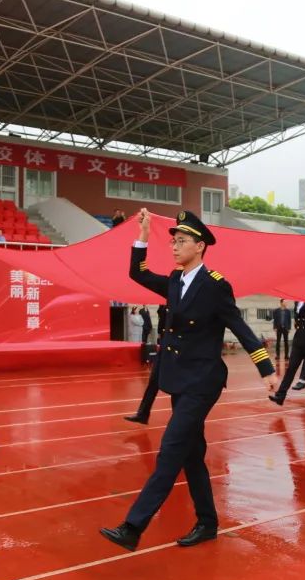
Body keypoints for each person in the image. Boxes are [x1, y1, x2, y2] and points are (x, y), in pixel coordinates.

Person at [100, 208, 277, 552]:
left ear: (200, 246)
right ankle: (208, 522)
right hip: (179, 378)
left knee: (171, 449)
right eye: (173, 241)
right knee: (192, 455)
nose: (175, 247)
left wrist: (265, 367)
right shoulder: (174, 282)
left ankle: (134, 527)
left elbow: (239, 327)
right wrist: (144, 236)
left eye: (181, 241)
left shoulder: (215, 286)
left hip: (203, 381)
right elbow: (136, 272)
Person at [124, 304, 169, 425]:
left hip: (176, 348)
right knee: (153, 382)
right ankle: (143, 413)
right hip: (165, 346)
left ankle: (180, 420)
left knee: (178, 387)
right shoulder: (166, 303)